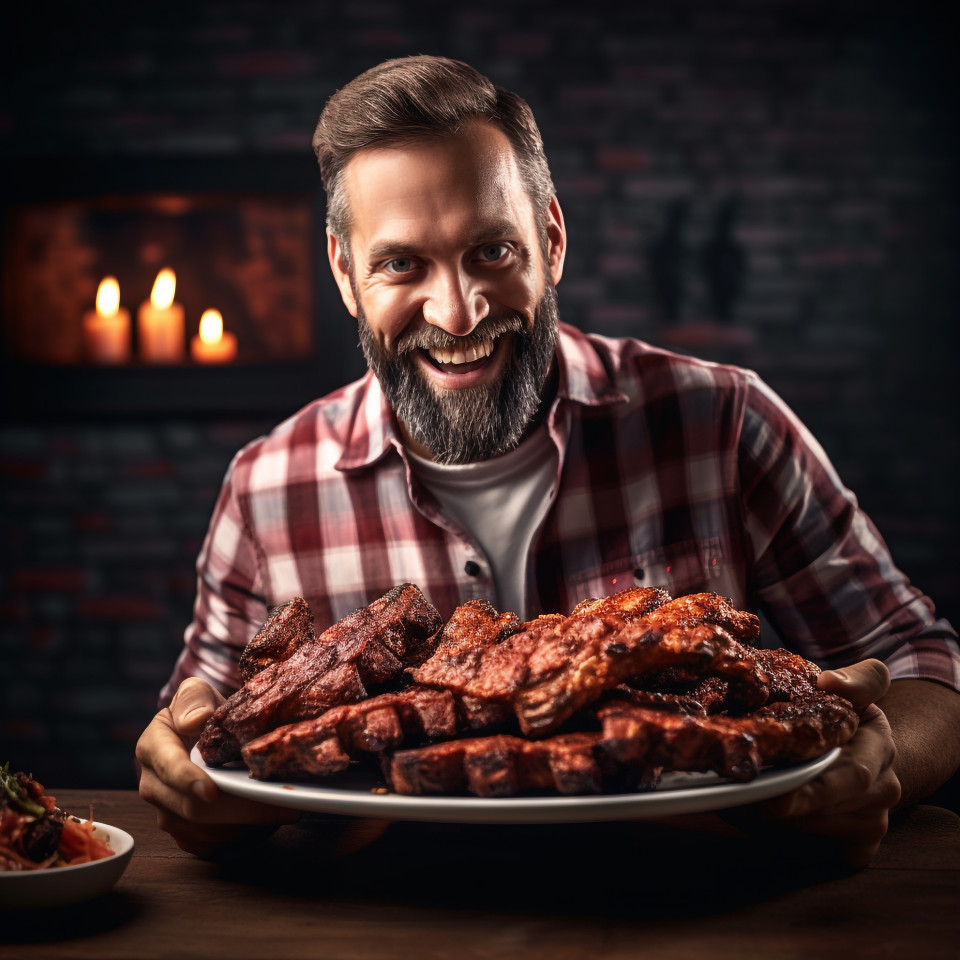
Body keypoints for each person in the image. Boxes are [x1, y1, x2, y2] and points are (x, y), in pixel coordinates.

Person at [136, 55, 960, 867]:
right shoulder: (266, 486)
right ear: (345, 274)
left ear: (553, 240)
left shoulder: (724, 421)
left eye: (492, 251)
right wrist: (191, 788)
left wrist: (878, 767)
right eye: (401, 264)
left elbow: (924, 665)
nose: (458, 313)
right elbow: (204, 734)